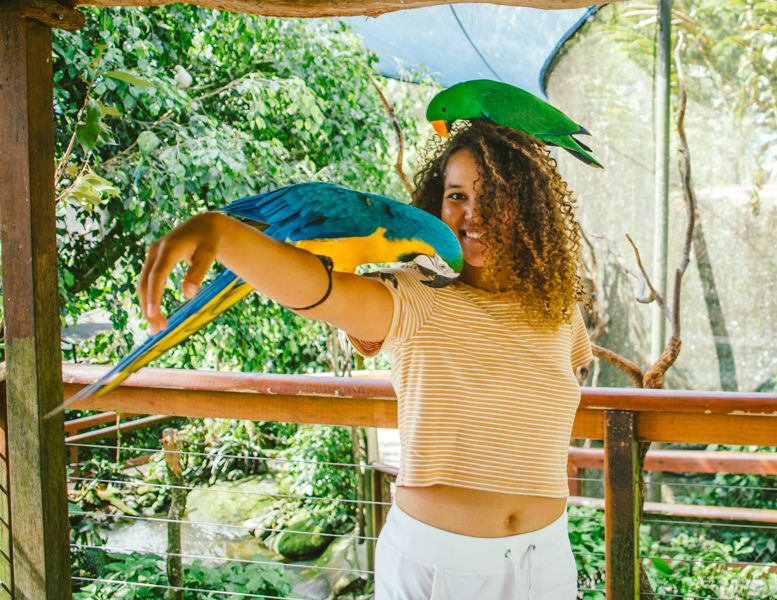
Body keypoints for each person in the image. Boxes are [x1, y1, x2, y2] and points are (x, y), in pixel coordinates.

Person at [139, 120, 592, 599]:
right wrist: (225, 235)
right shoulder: (414, 294)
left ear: (528, 208)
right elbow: (317, 290)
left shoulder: (558, 309)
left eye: (493, 196)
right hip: (441, 565)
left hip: (547, 562)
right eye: (456, 195)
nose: (472, 213)